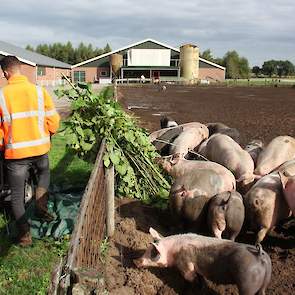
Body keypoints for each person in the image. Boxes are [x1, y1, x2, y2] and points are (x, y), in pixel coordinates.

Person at [0, 56, 60, 246]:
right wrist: (48, 133)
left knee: (17, 196)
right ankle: (41, 207)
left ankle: (25, 235)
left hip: (15, 155)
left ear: (5, 73)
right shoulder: (39, 91)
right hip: (40, 149)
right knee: (44, 173)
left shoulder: (2, 96)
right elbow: (54, 121)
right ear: (21, 69)